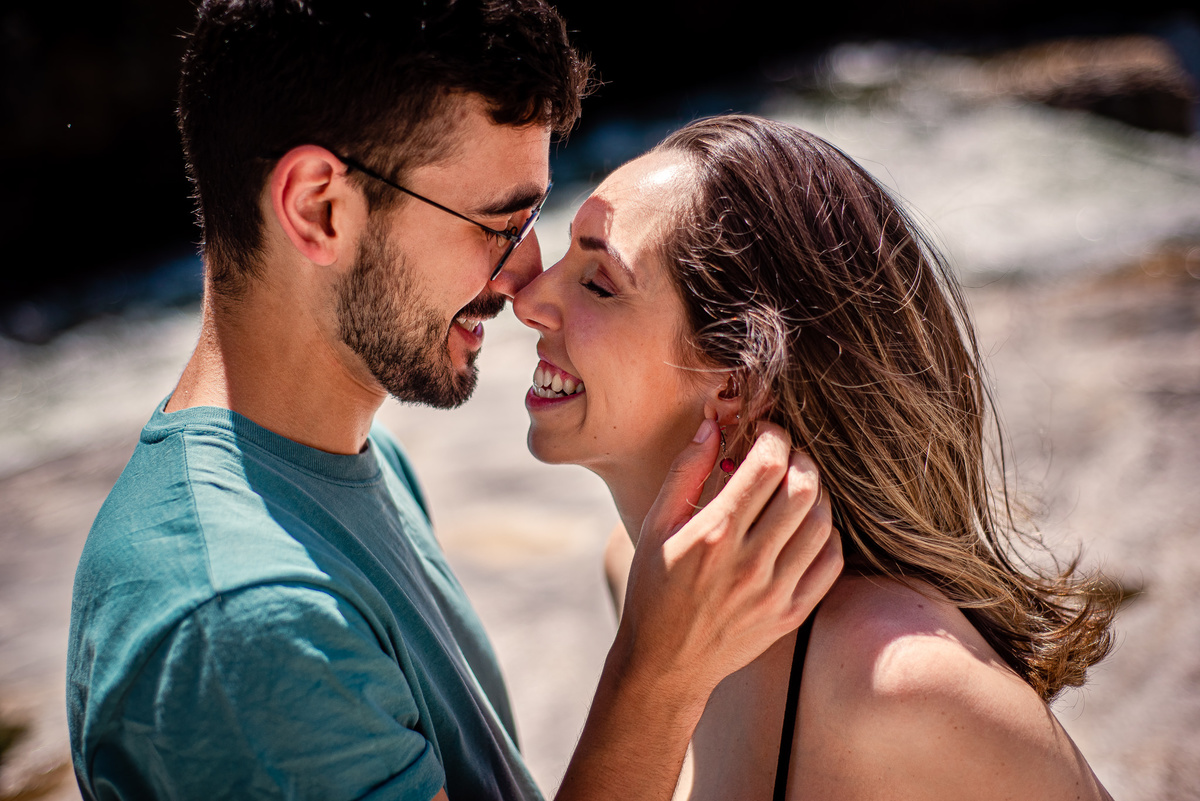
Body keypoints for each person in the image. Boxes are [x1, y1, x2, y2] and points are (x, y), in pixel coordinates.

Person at [65, 5, 844, 801]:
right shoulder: (244, 622)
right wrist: (656, 675)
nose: (525, 277)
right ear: (317, 209)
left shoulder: (354, 463)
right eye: (498, 223)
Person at [514, 114, 1118, 800]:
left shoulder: (900, 684)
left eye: (598, 282)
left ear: (735, 385)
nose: (530, 298)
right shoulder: (640, 578)